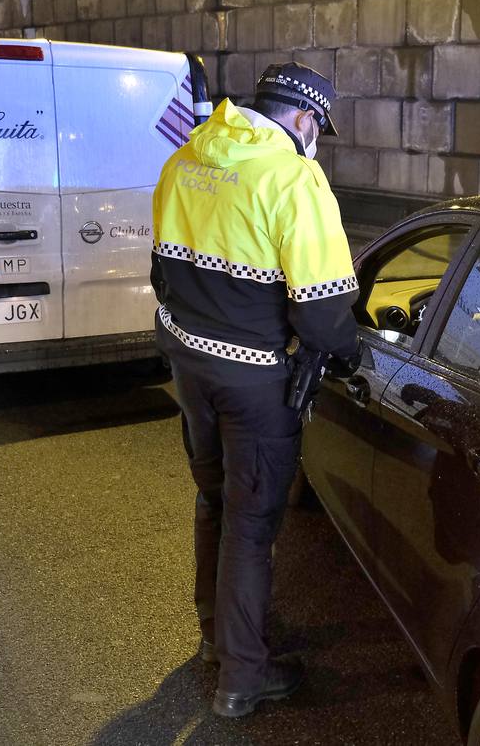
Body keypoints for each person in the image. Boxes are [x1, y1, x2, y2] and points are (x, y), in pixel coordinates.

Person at [150, 62, 360, 719]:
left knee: (212, 497)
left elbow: (161, 273)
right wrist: (351, 355)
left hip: (188, 369)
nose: (315, 139)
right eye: (318, 128)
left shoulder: (186, 159)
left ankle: (215, 635)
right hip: (254, 382)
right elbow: (325, 313)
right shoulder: (293, 178)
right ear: (305, 119)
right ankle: (243, 675)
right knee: (251, 521)